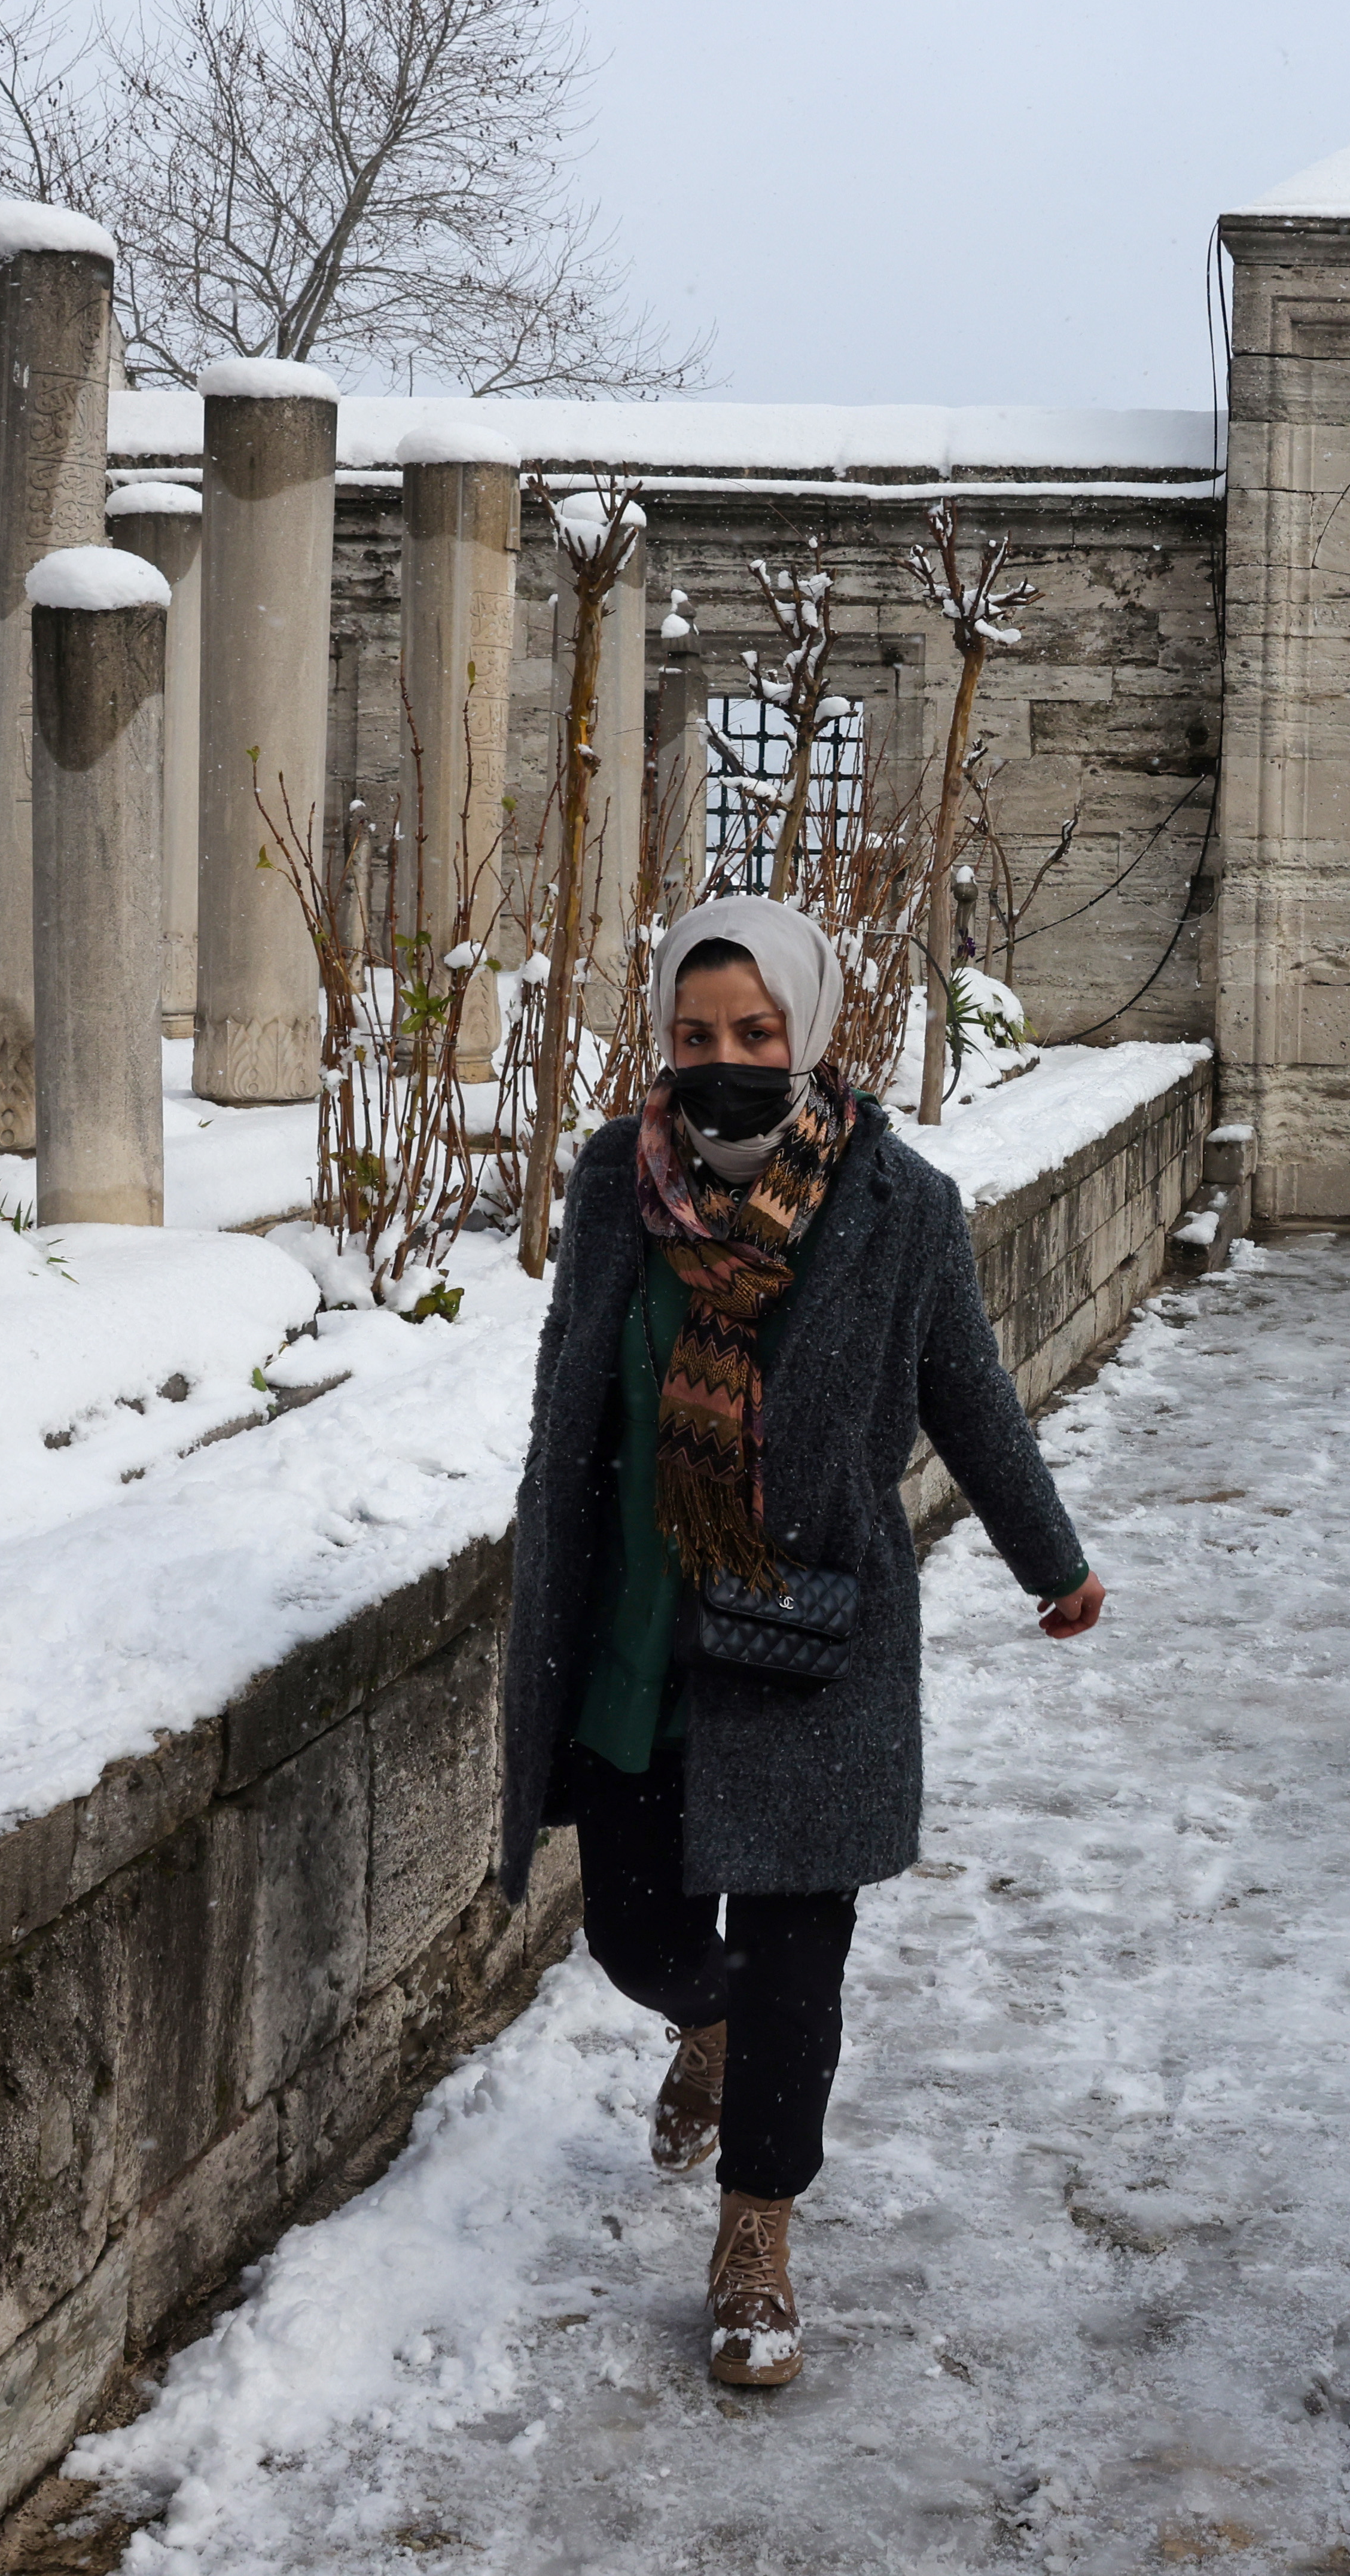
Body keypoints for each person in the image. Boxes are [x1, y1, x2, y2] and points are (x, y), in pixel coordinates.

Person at [497, 895, 1108, 2392]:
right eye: (698, 1035)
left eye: (757, 1033)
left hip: (807, 1641)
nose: (727, 1061)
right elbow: (569, 1393)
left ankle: (756, 2235)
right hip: (637, 1624)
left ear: (811, 1032)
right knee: (634, 1931)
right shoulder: (608, 1187)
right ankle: (695, 2021)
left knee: (795, 1962)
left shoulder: (899, 1205)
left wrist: (1053, 1557)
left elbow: (969, 1394)